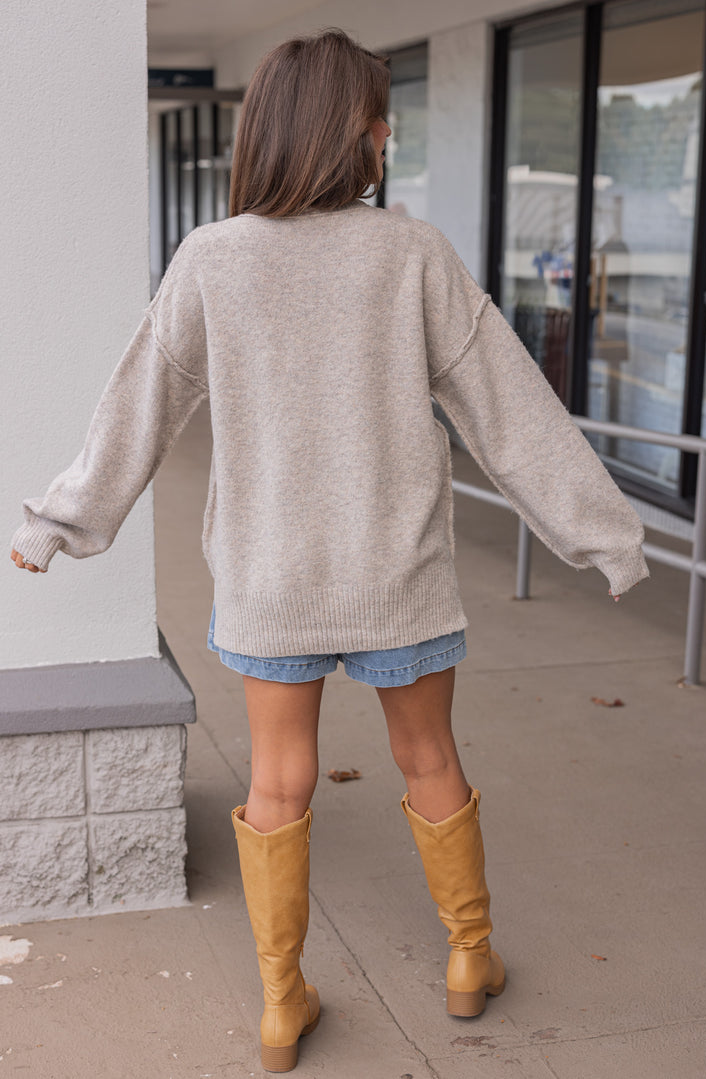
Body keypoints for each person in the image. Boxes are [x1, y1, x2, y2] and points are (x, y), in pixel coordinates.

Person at [10, 28, 649, 1075]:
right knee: (431, 757)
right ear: (348, 133)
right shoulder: (411, 253)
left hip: (272, 582)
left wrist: (59, 522)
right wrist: (605, 537)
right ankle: (468, 957)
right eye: (377, 115)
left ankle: (279, 999)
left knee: (276, 779)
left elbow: (138, 405)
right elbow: (511, 410)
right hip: (400, 578)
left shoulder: (212, 261)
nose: (388, 134)